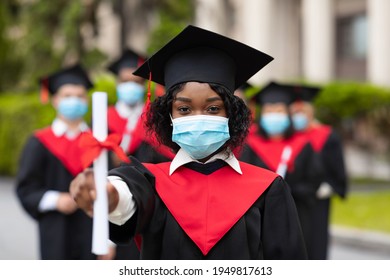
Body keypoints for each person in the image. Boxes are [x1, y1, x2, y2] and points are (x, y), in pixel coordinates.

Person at [70, 25, 307, 260]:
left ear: (231, 114)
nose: (198, 118)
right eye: (184, 109)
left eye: (213, 108)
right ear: (169, 116)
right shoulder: (150, 181)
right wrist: (110, 194)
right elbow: (127, 194)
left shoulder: (268, 189)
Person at [15, 64, 101, 259]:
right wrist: (55, 200)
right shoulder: (39, 142)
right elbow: (26, 188)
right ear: (55, 100)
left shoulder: (99, 141)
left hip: (94, 231)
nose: (74, 101)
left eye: (79, 96)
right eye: (67, 96)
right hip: (55, 229)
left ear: (86, 100)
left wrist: (110, 239)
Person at [238, 81, 324, 258]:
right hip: (258, 215)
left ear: (288, 114)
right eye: (270, 111)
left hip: (297, 215)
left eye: (279, 111)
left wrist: (290, 191)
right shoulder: (250, 145)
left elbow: (314, 180)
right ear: (263, 114)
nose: (274, 115)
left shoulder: (303, 145)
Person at [289, 85, 348, 259]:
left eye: (302, 112)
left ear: (311, 113)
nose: (298, 116)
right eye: (295, 112)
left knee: (316, 240)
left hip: (317, 199)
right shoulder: (287, 137)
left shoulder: (326, 135)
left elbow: (337, 165)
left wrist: (330, 185)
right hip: (293, 196)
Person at [107, 48, 174, 166]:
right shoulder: (105, 117)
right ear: (117, 83)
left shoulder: (155, 117)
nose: (130, 86)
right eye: (125, 81)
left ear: (144, 85)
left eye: (136, 82)